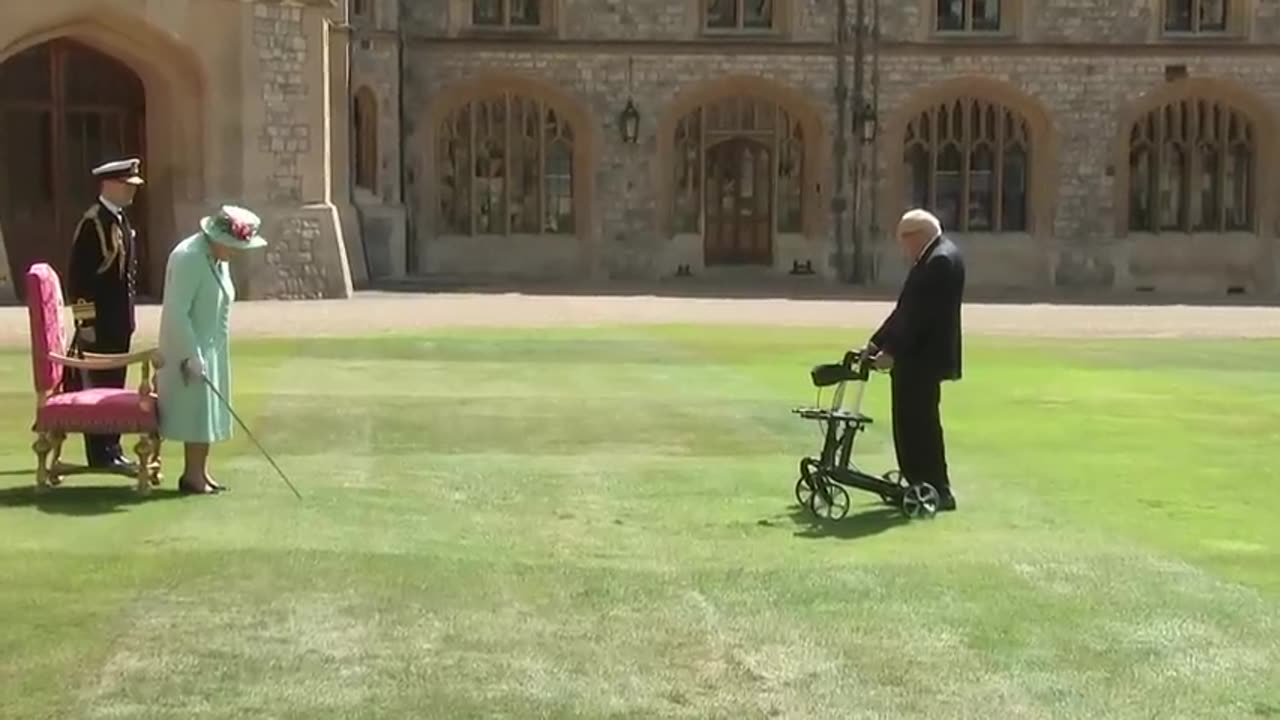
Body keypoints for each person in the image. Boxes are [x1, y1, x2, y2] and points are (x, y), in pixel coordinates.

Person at [155, 205, 267, 495]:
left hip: (211, 344)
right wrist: (190, 353)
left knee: (205, 411)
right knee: (194, 410)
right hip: (187, 347)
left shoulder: (217, 255)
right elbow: (177, 311)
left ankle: (200, 472)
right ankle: (192, 476)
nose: (235, 252)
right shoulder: (189, 258)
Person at [866, 208, 965, 512]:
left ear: (916, 237)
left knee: (919, 424)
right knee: (910, 423)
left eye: (903, 242)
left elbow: (920, 317)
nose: (902, 250)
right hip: (915, 356)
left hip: (922, 358)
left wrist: (891, 352)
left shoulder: (940, 262)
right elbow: (904, 310)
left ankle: (935, 486)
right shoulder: (931, 258)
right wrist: (875, 342)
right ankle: (917, 481)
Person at [66, 157, 145, 473]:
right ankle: (100, 451)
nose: (131, 193)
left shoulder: (120, 220)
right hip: (99, 325)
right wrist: (85, 323)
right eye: (127, 186)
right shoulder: (93, 222)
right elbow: (79, 280)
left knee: (114, 387)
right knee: (98, 389)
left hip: (119, 322)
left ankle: (112, 445)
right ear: (110, 185)